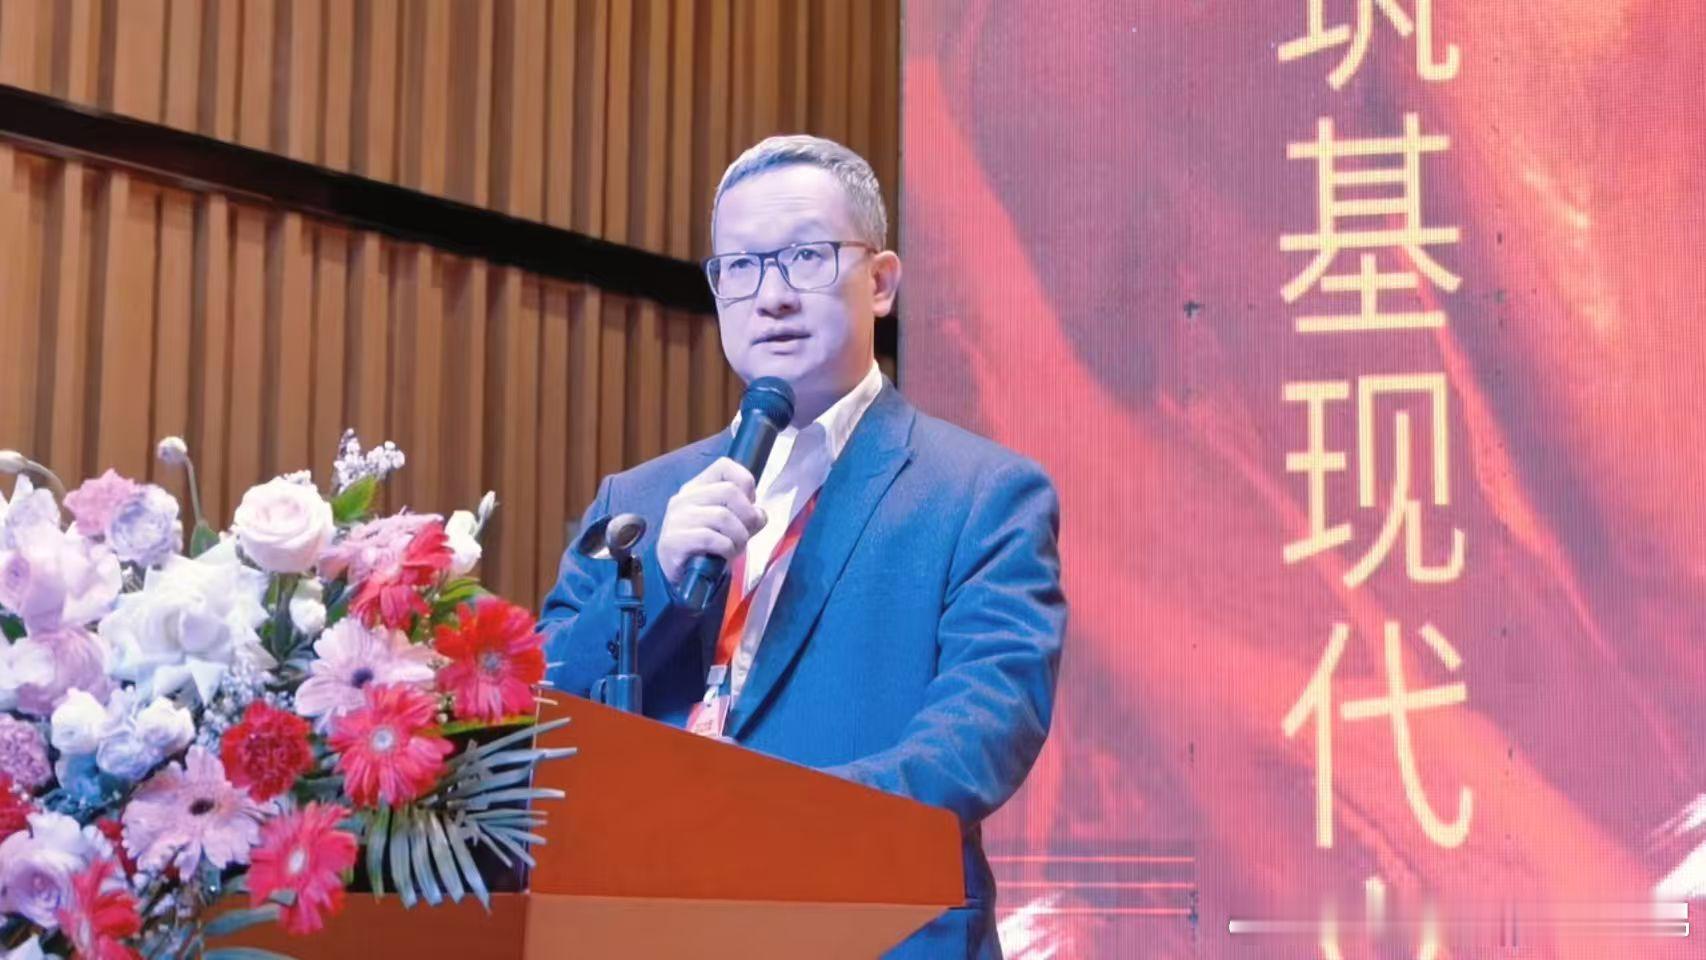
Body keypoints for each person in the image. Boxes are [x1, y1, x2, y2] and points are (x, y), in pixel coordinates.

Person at [540, 134, 1065, 959]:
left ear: (881, 282)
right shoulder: (637, 503)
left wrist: (766, 827)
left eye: (806, 258)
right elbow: (537, 717)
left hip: (873, 929)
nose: (772, 297)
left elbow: (983, 733)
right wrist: (659, 583)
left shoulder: (981, 493)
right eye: (741, 267)